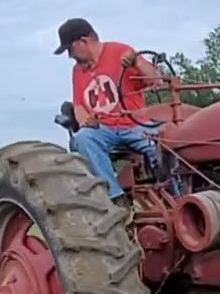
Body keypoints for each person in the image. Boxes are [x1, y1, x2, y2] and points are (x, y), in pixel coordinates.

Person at [54, 17, 167, 204]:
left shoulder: (120, 51)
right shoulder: (77, 71)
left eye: (69, 49)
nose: (70, 56)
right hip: (103, 128)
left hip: (134, 124)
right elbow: (79, 105)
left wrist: (137, 63)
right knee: (83, 138)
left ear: (83, 42)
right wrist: (84, 122)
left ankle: (175, 192)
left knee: (168, 140)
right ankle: (114, 199)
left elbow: (157, 81)